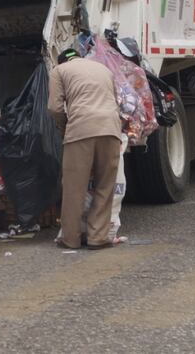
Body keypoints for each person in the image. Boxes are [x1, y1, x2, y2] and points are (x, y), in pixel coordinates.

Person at [48, 47, 122, 250]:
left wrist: (64, 128)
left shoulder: (59, 71)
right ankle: (98, 237)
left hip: (81, 130)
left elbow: (54, 108)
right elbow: (115, 101)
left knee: (74, 187)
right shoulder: (103, 69)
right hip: (110, 128)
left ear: (62, 61)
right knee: (105, 185)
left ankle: (70, 239)